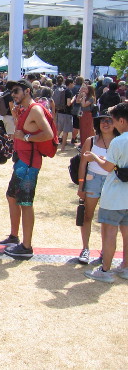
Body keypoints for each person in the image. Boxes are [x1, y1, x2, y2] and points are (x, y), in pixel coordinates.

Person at [0, 79, 54, 258]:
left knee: (25, 203)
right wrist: (17, 119)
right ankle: (14, 236)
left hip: (29, 163)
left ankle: (26, 246)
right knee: (12, 197)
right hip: (22, 161)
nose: (13, 95)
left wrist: (26, 137)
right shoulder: (24, 110)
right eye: (12, 92)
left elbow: (48, 134)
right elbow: (22, 131)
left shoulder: (35, 109)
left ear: (27, 91)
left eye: (16, 91)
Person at [83, 102, 128, 283]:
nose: (112, 124)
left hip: (115, 194)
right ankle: (125, 266)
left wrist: (94, 157)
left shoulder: (118, 141)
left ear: (122, 121)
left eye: (114, 120)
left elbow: (108, 167)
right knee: (126, 233)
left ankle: (105, 270)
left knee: (109, 232)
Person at [75, 110, 119, 264]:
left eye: (109, 120)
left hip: (112, 182)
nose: (106, 124)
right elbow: (83, 164)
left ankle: (105, 251)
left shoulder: (119, 141)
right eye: (103, 121)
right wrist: (81, 185)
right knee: (88, 215)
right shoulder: (91, 141)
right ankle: (85, 248)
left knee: (107, 219)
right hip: (92, 180)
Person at [53, 77, 74, 151]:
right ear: (70, 83)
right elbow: (68, 103)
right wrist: (74, 99)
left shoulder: (61, 89)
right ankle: (63, 147)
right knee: (65, 131)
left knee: (59, 130)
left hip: (60, 112)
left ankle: (53, 144)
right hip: (67, 113)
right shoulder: (68, 92)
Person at [75, 84, 96, 148]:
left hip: (88, 114)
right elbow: (77, 101)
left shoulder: (91, 98)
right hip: (82, 114)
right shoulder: (85, 97)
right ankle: (82, 143)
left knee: (87, 130)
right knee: (82, 129)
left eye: (86, 89)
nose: (84, 90)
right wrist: (80, 93)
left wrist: (83, 96)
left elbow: (84, 105)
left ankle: (88, 143)